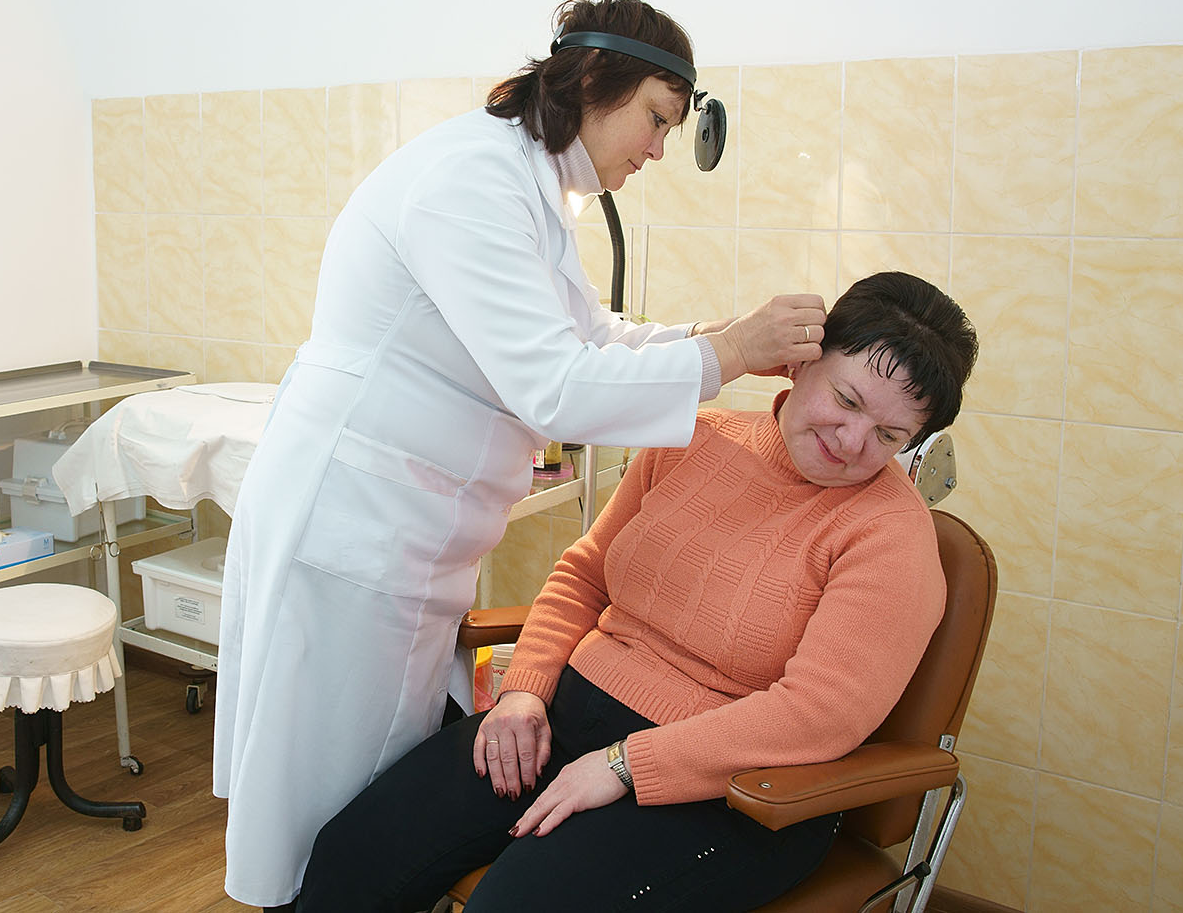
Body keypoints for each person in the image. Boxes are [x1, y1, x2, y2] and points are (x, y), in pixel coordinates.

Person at [214, 0, 829, 910]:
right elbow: (554, 385)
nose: (659, 149)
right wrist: (730, 353)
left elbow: (587, 336)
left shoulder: (533, 191)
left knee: (376, 794)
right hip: (354, 527)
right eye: (656, 118)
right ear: (594, 80)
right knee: (331, 813)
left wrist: (717, 338)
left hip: (410, 535)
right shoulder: (470, 181)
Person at [296, 271, 980, 913]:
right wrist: (525, 690)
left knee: (517, 903)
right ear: (800, 363)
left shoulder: (890, 536)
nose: (852, 440)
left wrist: (626, 766)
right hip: (568, 715)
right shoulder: (693, 439)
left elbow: (818, 715)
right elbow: (585, 573)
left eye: (888, 435)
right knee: (350, 856)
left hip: (740, 789)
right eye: (846, 400)